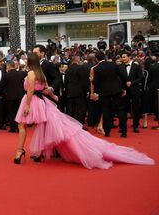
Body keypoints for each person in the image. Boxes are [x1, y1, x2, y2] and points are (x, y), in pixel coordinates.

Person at [13, 53, 154, 169]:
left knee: (22, 125)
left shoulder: (31, 73)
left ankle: (20, 151)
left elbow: (31, 90)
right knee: (44, 126)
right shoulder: (40, 73)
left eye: (26, 58)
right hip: (43, 102)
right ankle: (39, 153)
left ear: (30, 61)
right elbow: (46, 89)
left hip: (32, 101)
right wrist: (54, 96)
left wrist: (27, 105)